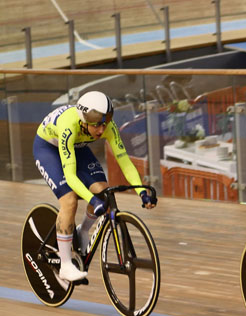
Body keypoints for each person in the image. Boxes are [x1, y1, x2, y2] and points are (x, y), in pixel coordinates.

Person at [33, 90, 156, 282]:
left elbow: (125, 162)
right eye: (97, 125)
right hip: (48, 149)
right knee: (70, 201)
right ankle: (65, 265)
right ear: (84, 121)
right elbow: (70, 176)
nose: (101, 130)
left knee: (103, 193)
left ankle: (82, 231)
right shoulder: (69, 126)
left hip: (78, 147)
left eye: (105, 124)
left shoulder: (107, 127)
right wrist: (91, 200)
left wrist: (142, 191)